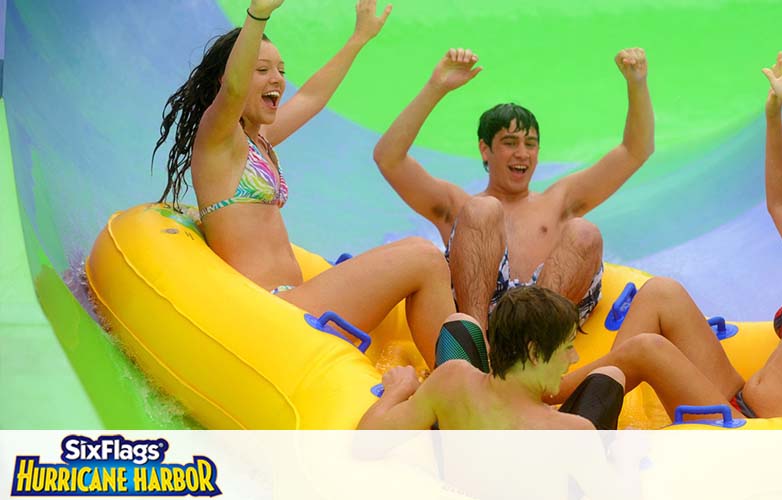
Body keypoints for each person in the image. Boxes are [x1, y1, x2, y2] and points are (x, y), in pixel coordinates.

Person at [548, 35, 782, 420]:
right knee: (662, 292)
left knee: (648, 348)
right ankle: (601, 402)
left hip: (749, 432)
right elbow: (779, 202)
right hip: (735, 398)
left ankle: (545, 398)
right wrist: (774, 117)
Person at [152, 0, 454, 364]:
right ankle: (462, 385)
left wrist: (358, 39)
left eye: (280, 70)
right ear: (232, 75)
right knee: (425, 257)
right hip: (270, 308)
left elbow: (311, 97)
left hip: (296, 299)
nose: (277, 78)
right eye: (261, 69)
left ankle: (454, 376)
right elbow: (232, 90)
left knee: (417, 248)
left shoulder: (258, 140)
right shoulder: (217, 139)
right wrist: (257, 15)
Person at [372, 47, 654, 332]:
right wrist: (436, 88)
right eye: (509, 143)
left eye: (530, 144)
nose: (522, 153)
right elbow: (389, 159)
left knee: (585, 232)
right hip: (481, 312)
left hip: (546, 318)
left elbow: (634, 151)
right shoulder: (457, 207)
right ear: (485, 149)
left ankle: (533, 348)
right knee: (483, 210)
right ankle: (475, 341)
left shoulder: (559, 202)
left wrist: (637, 84)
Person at [357, 286, 626, 430]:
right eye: (567, 347)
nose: (575, 357)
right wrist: (627, 458)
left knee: (459, 323)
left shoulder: (449, 380)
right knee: (612, 376)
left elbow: (368, 440)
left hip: (464, 444)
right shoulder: (571, 432)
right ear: (533, 353)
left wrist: (400, 388)